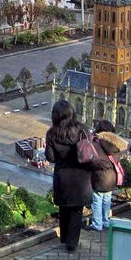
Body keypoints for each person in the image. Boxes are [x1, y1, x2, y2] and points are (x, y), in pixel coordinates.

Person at [44, 101, 94, 252]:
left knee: (64, 208)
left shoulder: (52, 133)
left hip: (63, 175)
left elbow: (51, 158)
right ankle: (72, 241)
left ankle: (65, 237)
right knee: (76, 210)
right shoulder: (82, 129)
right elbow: (89, 150)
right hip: (81, 175)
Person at [90, 122, 128, 233]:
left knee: (97, 200)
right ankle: (105, 221)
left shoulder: (97, 145)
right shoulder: (116, 144)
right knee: (106, 200)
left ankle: (97, 224)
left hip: (99, 177)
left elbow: (93, 161)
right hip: (112, 177)